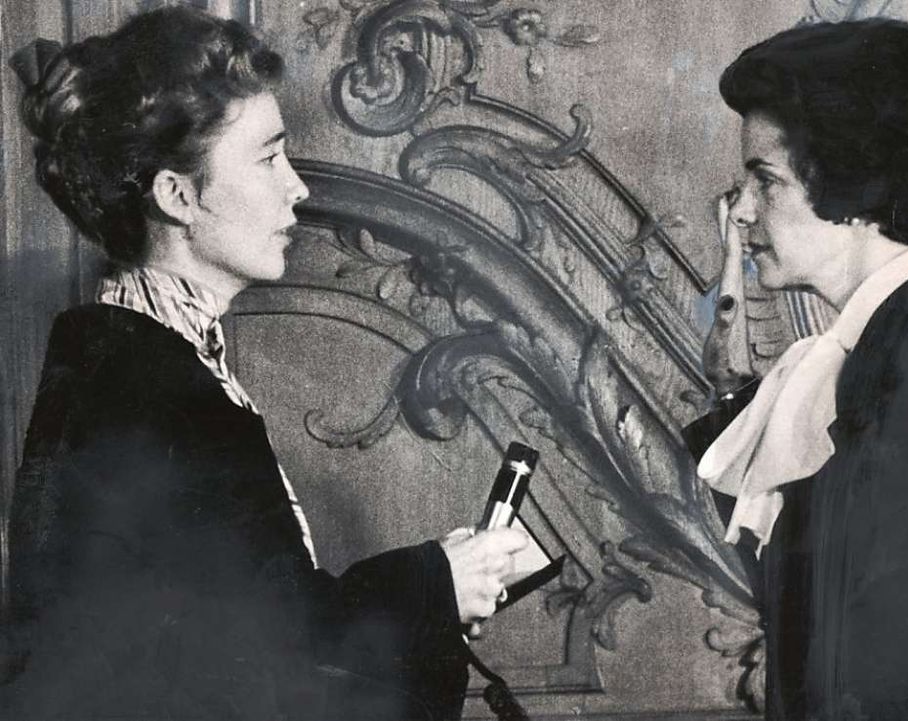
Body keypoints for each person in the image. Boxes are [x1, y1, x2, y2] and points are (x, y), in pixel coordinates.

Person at [2, 7, 526, 721]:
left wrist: (438, 582)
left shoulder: (139, 362)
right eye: (268, 157)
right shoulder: (149, 387)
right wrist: (434, 582)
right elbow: (263, 667)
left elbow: (229, 641)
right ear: (177, 195)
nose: (298, 188)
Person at [685, 18, 908, 721]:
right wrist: (731, 375)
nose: (739, 212)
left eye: (764, 179)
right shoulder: (872, 342)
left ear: (854, 189)